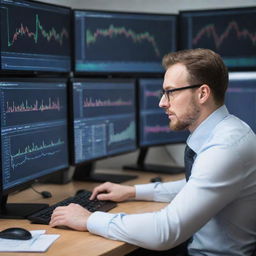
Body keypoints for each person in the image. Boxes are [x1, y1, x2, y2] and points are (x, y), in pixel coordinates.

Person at [50, 48, 256, 256]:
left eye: (171, 92)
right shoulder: (227, 132)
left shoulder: (224, 148)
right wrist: (133, 192)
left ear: (202, 93)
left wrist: (88, 219)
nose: (162, 102)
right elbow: (196, 186)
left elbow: (165, 232)